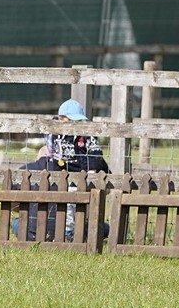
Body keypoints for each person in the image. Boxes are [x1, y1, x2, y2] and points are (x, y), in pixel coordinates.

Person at [17, 99, 110, 241]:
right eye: (71, 120)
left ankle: (68, 233)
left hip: (77, 179)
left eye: (78, 121)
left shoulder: (84, 136)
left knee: (74, 209)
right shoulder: (54, 139)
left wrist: (91, 171)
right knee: (70, 211)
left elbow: (94, 157)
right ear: (61, 119)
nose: (75, 125)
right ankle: (68, 234)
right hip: (64, 181)